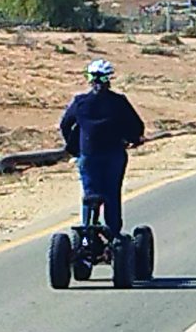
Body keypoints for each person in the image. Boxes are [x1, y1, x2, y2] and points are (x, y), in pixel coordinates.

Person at [60, 58, 146, 235]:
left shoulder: (80, 102)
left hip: (88, 155)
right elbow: (136, 126)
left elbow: (65, 125)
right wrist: (133, 139)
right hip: (113, 155)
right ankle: (113, 236)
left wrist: (74, 147)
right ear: (109, 79)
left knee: (90, 194)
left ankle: (86, 237)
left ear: (89, 79)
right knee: (111, 194)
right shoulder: (119, 102)